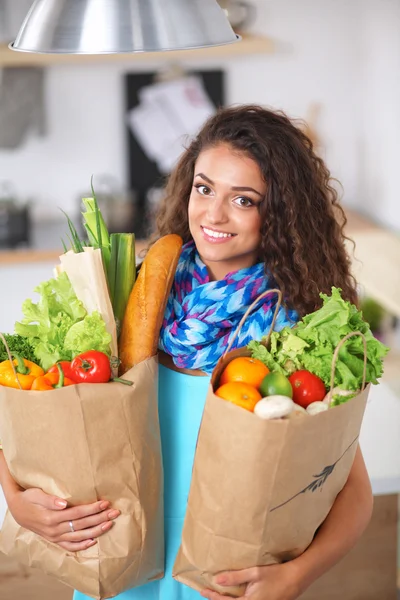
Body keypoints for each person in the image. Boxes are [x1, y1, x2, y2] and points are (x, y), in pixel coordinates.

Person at [0, 105, 373, 600]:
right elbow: (35, 410)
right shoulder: (128, 297)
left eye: (243, 199)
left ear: (280, 212)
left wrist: (292, 577)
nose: (214, 214)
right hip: (119, 564)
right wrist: (16, 497)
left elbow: (352, 491)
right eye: (204, 188)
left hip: (220, 579)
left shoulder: (292, 330)